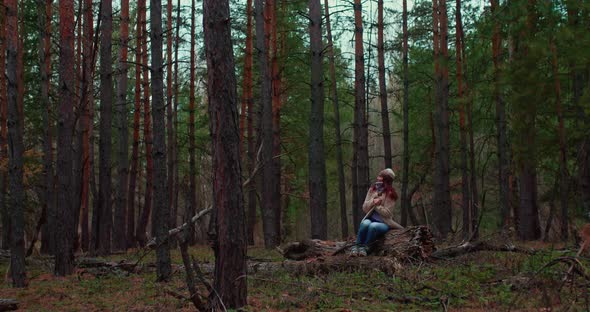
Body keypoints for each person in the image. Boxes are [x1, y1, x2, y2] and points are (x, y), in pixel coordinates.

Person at [350, 168, 404, 257]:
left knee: (373, 226)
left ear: (386, 179)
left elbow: (388, 213)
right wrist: (373, 201)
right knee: (365, 224)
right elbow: (364, 208)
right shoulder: (372, 190)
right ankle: (357, 246)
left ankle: (366, 247)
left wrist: (378, 206)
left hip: (384, 223)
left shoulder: (391, 194)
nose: (378, 178)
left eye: (380, 176)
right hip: (370, 218)